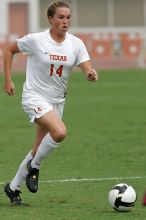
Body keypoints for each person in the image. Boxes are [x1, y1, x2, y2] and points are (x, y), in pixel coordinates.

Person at [3, 1, 99, 205]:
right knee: (60, 132)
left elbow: (86, 67)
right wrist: (8, 80)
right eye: (61, 17)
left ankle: (13, 187)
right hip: (34, 97)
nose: (65, 21)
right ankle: (35, 168)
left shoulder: (75, 43)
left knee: (38, 148)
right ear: (50, 19)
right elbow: (8, 51)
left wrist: (90, 73)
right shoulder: (36, 40)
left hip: (57, 102)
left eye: (68, 18)